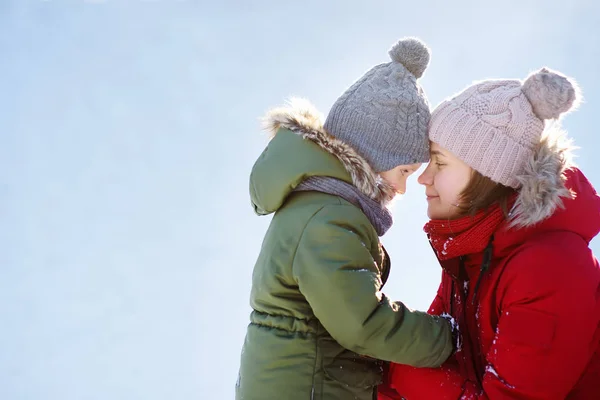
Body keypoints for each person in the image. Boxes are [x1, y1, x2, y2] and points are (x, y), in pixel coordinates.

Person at [235, 38, 457, 400]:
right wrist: (449, 338)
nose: (403, 188)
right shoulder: (329, 219)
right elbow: (361, 323)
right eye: (403, 171)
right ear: (372, 155)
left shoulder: (320, 204)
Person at [379, 68, 600, 399]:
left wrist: (393, 365)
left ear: (487, 174)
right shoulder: (469, 258)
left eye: (439, 163)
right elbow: (440, 360)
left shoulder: (548, 268)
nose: (423, 179)